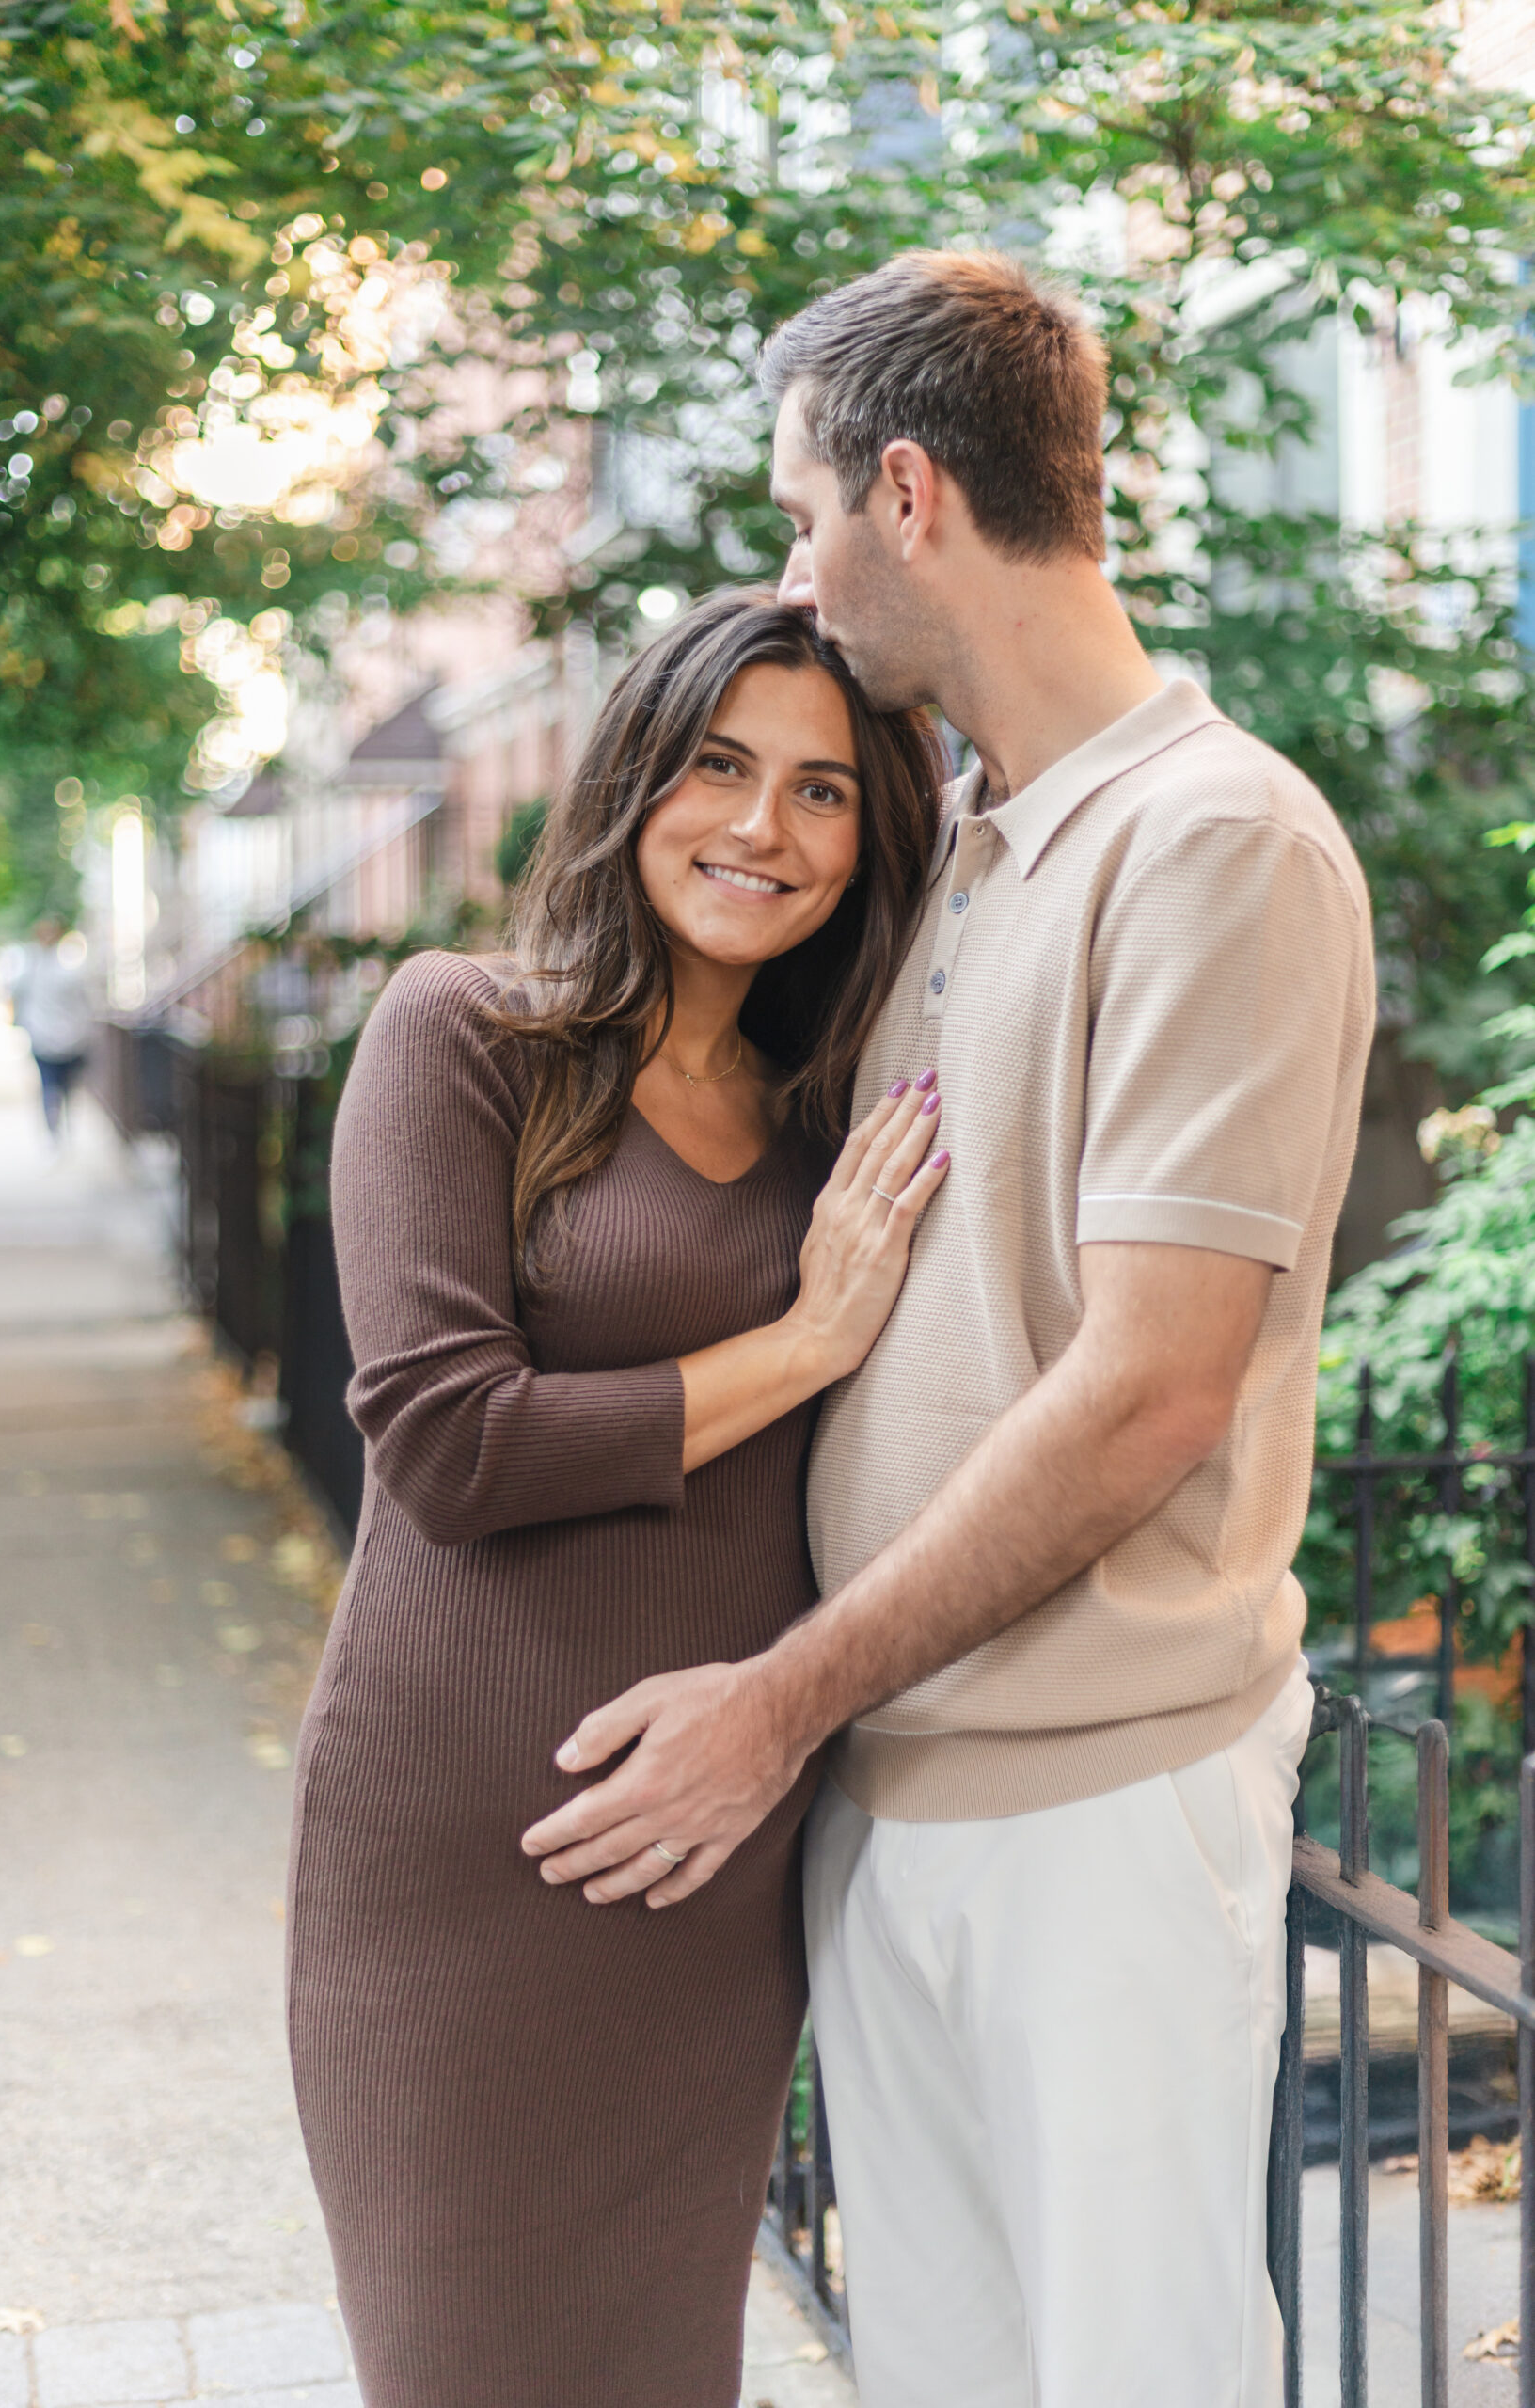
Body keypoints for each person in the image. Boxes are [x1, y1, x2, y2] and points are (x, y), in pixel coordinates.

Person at [521, 253, 1377, 2407]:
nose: (790, 572)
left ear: (903, 493)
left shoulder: (1209, 840)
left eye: (797, 511)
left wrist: (770, 1700)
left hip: (1091, 1795)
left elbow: (1150, 1382)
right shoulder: (977, 845)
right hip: (895, 1789)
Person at [287, 591, 949, 2408]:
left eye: (824, 791)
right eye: (722, 765)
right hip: (471, 1841)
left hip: (715, 1838)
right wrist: (806, 1341)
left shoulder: (837, 1120)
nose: (763, 826)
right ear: (635, 775)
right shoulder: (463, 1037)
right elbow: (447, 1442)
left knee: (668, 2367)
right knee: (467, 2361)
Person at [10, 917, 93, 1139]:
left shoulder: (41, 966)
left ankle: (56, 1129)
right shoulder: (65, 966)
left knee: (55, 1085)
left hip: (56, 1037)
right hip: (57, 1037)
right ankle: (58, 1128)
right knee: (57, 1086)